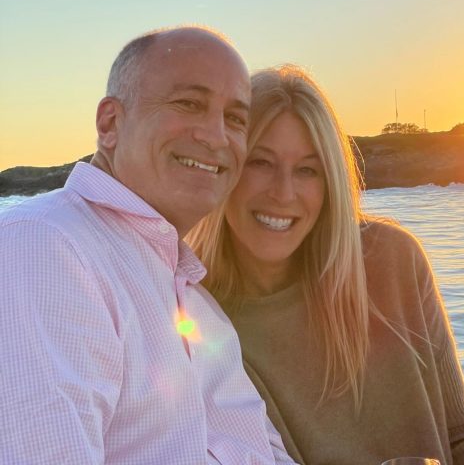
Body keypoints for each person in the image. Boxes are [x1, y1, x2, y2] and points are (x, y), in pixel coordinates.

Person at [0, 27, 296, 464]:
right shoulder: (43, 246)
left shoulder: (198, 305)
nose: (217, 137)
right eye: (189, 104)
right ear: (110, 123)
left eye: (235, 118)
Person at [187, 66, 464, 465]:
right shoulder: (194, 320)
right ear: (227, 166)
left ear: (331, 183)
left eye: (308, 170)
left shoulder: (393, 261)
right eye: (260, 162)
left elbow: (462, 435)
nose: (283, 193)